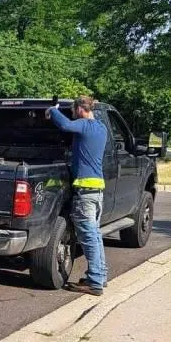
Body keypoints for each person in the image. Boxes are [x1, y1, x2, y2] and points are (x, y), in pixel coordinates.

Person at [46, 95, 108, 296]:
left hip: (85, 191)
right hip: (97, 190)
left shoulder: (84, 125)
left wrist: (52, 110)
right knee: (96, 236)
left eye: (73, 111)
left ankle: (95, 282)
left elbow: (65, 125)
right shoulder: (101, 128)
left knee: (89, 236)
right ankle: (99, 275)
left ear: (81, 109)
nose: (72, 115)